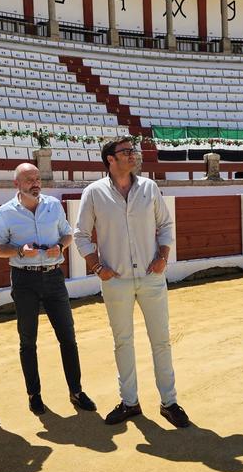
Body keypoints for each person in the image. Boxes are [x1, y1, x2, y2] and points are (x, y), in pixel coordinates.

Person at [73, 138, 191, 428]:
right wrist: (97, 267)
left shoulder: (149, 187)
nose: (133, 155)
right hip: (116, 280)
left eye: (133, 151)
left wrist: (163, 256)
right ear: (110, 159)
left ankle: (169, 402)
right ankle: (130, 402)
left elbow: (165, 225)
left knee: (161, 341)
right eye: (126, 152)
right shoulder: (94, 193)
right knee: (123, 342)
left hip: (152, 276)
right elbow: (80, 235)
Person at [0, 163, 96, 415]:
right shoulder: (4, 213)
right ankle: (34, 394)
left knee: (68, 337)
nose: (35, 183)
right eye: (29, 179)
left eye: (37, 178)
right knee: (28, 340)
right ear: (16, 184)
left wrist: (60, 247)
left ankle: (76, 391)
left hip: (53, 277)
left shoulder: (53, 205)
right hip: (24, 279)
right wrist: (18, 251)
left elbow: (67, 235)